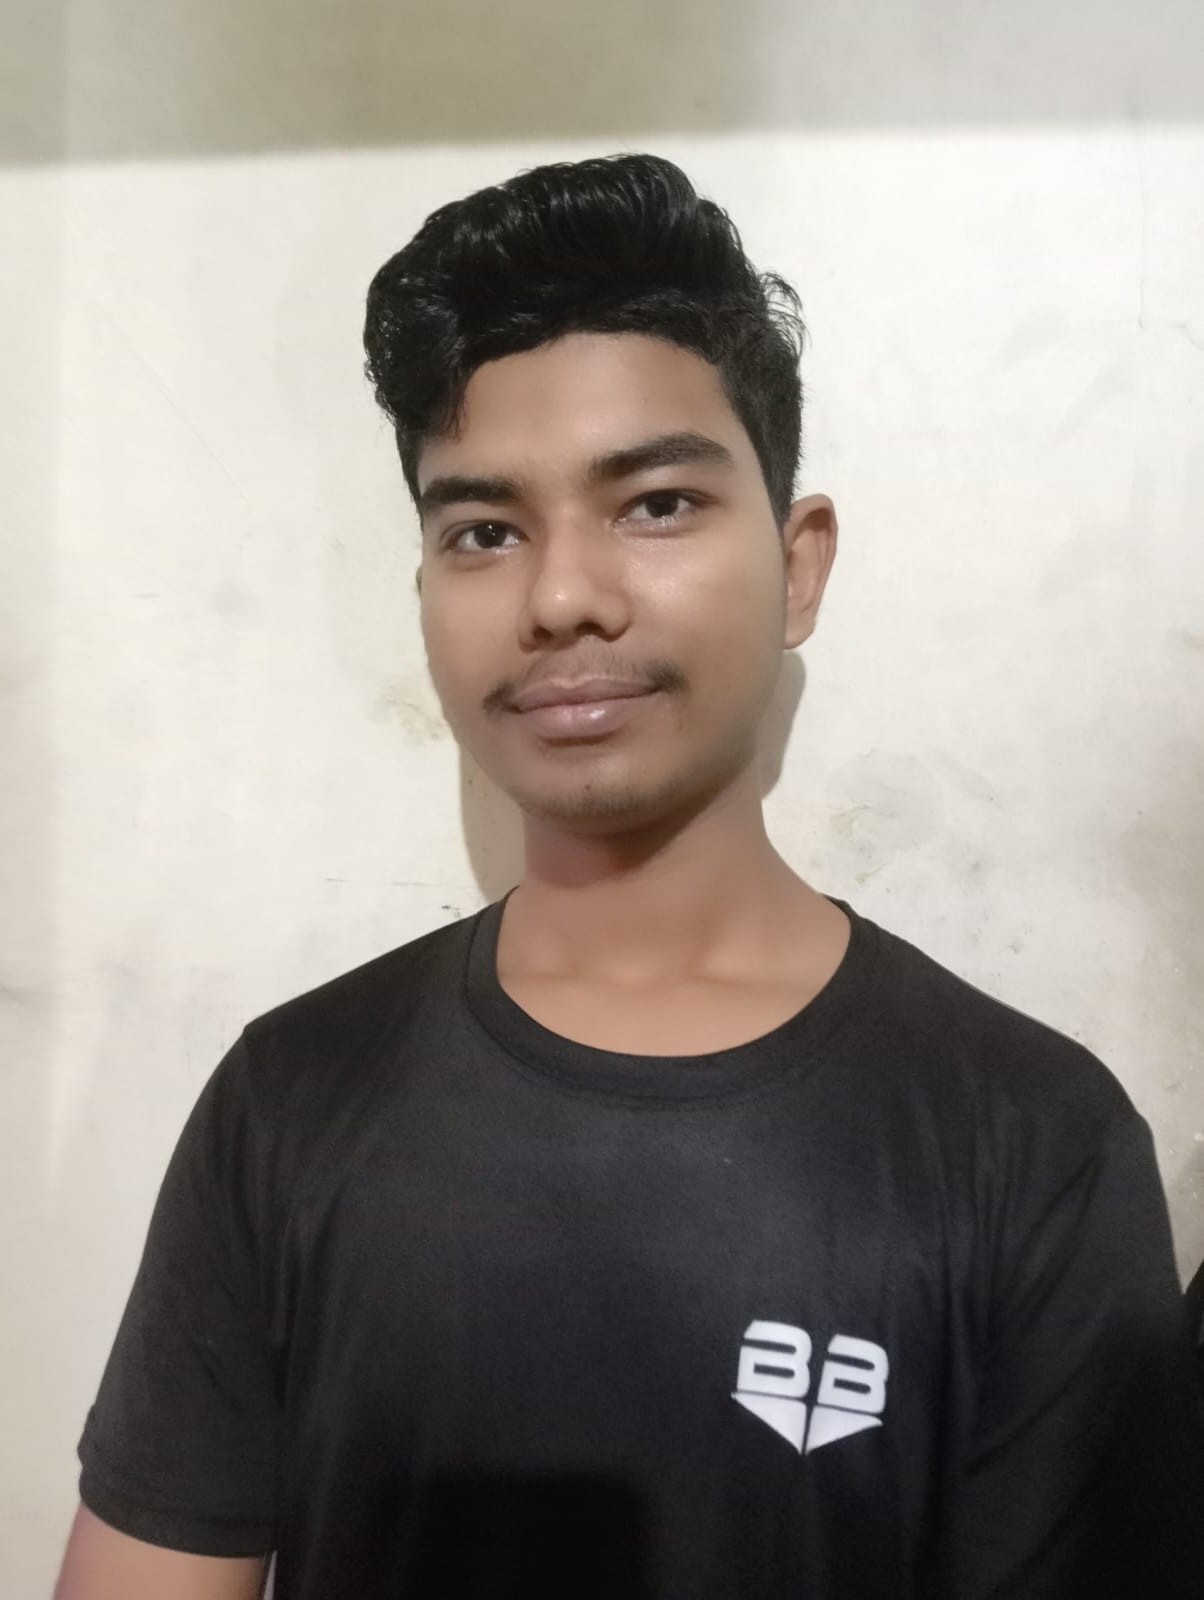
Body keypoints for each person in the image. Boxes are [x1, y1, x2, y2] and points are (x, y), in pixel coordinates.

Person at [56, 153, 1204, 1600]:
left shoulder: (1030, 1144)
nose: (560, 597)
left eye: (655, 504)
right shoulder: (287, 1101)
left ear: (799, 565)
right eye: (483, 532)